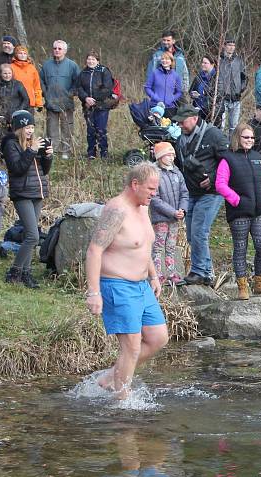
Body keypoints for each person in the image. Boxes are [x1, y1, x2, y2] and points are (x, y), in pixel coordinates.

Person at [85, 162, 169, 400]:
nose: (155, 194)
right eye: (151, 189)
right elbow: (94, 251)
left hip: (142, 286)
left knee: (157, 338)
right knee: (131, 347)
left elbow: (143, 245)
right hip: (117, 285)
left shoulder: (143, 207)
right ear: (135, 184)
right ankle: (122, 402)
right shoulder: (117, 210)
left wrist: (153, 275)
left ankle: (111, 377)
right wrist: (93, 293)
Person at [214, 124, 261, 300]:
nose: (250, 140)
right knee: (240, 249)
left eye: (252, 138)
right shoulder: (227, 159)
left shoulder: (258, 157)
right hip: (239, 212)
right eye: (246, 137)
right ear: (237, 138)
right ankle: (242, 287)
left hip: (260, 212)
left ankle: (260, 284)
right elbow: (220, 184)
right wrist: (237, 200)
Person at [172, 104, 230, 285]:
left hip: (211, 192)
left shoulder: (214, 135)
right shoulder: (181, 138)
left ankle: (199, 272)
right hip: (191, 192)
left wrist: (213, 178)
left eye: (182, 121)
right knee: (191, 234)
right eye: (178, 122)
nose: (180, 125)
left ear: (194, 118)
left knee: (199, 231)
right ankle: (206, 272)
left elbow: (229, 161)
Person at [1, 110, 52, 288]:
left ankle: (26, 273)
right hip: (22, 193)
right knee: (32, 236)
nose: (30, 130)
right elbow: (17, 168)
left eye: (32, 127)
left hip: (37, 193)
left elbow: (44, 171)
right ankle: (14, 272)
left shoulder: (33, 143)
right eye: (26, 127)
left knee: (31, 235)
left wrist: (47, 156)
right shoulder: (11, 145)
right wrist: (31, 151)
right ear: (18, 128)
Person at [149, 142, 188, 286]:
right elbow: (154, 198)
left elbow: (184, 193)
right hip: (160, 218)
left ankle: (171, 273)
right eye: (169, 154)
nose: (172, 157)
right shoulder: (154, 173)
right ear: (160, 156)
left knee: (171, 246)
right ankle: (157, 274)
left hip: (175, 218)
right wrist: (172, 212)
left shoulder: (176, 172)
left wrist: (182, 210)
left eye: (173, 154)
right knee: (158, 246)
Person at [40, 40, 80, 159]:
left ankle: (66, 152)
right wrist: (45, 93)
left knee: (67, 128)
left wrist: (70, 93)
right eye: (55, 48)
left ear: (65, 51)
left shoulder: (72, 65)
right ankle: (53, 151)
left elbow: (77, 82)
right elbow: (40, 81)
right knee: (51, 129)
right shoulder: (46, 65)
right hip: (51, 102)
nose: (57, 50)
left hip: (66, 103)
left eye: (59, 49)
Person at [77, 52, 115, 160]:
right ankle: (91, 153)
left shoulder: (104, 71)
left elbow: (108, 88)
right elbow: (79, 88)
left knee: (101, 129)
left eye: (93, 59)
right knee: (90, 130)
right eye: (89, 59)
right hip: (87, 106)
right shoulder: (83, 73)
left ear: (98, 61)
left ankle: (104, 153)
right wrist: (86, 98)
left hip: (102, 106)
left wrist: (95, 99)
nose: (90, 61)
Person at [216, 38, 247, 137]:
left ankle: (232, 148)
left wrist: (241, 88)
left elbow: (244, 77)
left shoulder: (238, 60)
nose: (231, 47)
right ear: (224, 46)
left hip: (236, 98)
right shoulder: (219, 60)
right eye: (229, 45)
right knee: (221, 125)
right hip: (222, 98)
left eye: (233, 45)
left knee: (234, 127)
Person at [10, 46, 43, 113]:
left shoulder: (32, 68)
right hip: (15, 102)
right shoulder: (11, 67)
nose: (22, 55)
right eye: (20, 53)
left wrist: (39, 102)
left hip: (29, 103)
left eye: (24, 53)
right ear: (16, 54)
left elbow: (37, 87)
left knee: (29, 123)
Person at [189, 55, 219, 124]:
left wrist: (201, 96)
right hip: (197, 109)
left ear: (212, 64)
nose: (203, 64)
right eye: (202, 62)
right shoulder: (199, 76)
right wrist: (192, 94)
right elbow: (191, 90)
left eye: (205, 63)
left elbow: (217, 97)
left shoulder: (217, 78)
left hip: (210, 111)